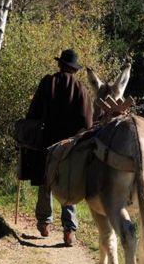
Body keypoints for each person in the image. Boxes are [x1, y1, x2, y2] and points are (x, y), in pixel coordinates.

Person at [20, 49, 93, 246]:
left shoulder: (47, 83)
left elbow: (33, 112)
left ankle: (44, 223)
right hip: (69, 145)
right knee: (67, 182)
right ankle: (69, 230)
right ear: (74, 69)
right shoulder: (80, 88)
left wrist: (26, 131)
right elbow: (87, 122)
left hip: (46, 142)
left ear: (60, 65)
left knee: (46, 181)